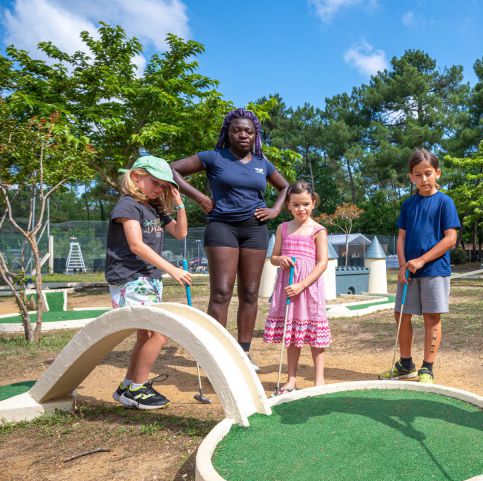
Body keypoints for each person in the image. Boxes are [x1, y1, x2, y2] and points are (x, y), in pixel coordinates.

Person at [171, 108, 289, 372]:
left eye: (248, 131)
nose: (242, 135)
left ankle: (244, 353)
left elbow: (285, 187)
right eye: (236, 130)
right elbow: (172, 170)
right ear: (228, 132)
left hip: (255, 230)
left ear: (255, 134)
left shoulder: (262, 162)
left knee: (249, 293)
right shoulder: (213, 157)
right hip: (222, 228)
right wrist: (200, 198)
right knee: (222, 292)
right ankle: (216, 354)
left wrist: (275, 210)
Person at [107, 156, 192, 409]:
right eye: (154, 182)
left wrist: (179, 205)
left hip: (149, 277)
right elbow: (136, 245)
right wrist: (172, 269)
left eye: (164, 185)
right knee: (159, 332)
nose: (159, 189)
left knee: (146, 335)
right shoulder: (127, 206)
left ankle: (128, 385)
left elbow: (180, 232)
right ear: (135, 177)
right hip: (130, 276)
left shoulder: (154, 207)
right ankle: (138, 388)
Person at [379, 148, 460, 384]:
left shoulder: (445, 202)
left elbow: (450, 238)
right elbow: (401, 237)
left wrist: (422, 260)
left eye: (428, 173)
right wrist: (403, 264)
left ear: (437, 173)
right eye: (418, 174)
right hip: (409, 271)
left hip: (435, 271)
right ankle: (406, 365)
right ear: (410, 177)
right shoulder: (408, 205)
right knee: (401, 314)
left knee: (431, 318)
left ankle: (427, 368)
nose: (424, 179)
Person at [263, 181, 331, 392]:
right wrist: (280, 259)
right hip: (288, 287)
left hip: (308, 287)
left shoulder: (318, 230)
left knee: (314, 334)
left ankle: (319, 379)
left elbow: (322, 262)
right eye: (296, 205)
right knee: (291, 334)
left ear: (313, 204)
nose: (301, 209)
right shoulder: (283, 228)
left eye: (305, 204)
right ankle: (291, 379)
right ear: (289, 206)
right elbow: (273, 257)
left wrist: (302, 284)